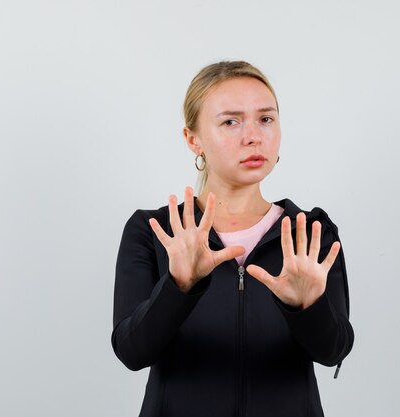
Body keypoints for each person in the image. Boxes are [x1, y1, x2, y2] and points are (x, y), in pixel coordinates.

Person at [111, 61, 354, 417]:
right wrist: (179, 287)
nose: (253, 136)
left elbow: (334, 351)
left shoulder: (308, 231)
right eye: (230, 121)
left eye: (266, 119)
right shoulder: (155, 232)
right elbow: (132, 353)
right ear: (193, 139)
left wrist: (307, 306)